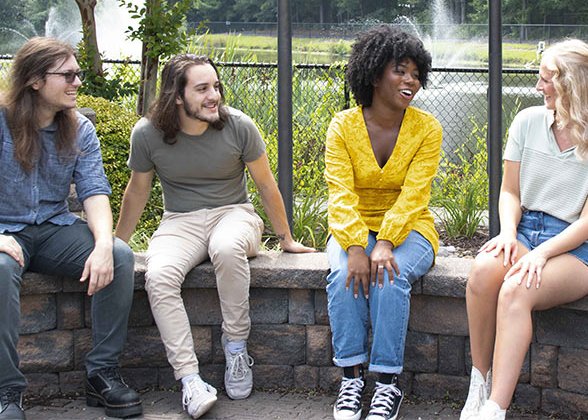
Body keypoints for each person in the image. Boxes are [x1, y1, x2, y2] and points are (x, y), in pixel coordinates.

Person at [114, 53, 314, 420]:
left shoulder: (239, 126)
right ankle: (190, 379)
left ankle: (236, 348)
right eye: (202, 88)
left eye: (216, 86)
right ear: (177, 95)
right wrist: (119, 244)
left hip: (234, 214)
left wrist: (285, 238)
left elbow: (266, 184)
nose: (214, 96)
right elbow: (137, 191)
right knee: (158, 276)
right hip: (180, 221)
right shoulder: (147, 134)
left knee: (225, 248)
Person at [461, 39, 588, 420]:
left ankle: (494, 409)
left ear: (572, 84)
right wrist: (507, 233)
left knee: (516, 290)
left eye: (547, 79)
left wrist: (542, 253)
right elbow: (510, 191)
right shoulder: (527, 122)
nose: (539, 88)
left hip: (579, 247)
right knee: (482, 273)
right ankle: (479, 382)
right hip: (524, 231)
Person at [0, 38, 141, 420]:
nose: (77, 81)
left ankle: (102, 375)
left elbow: (95, 193)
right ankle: (7, 392)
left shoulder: (79, 129)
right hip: (4, 233)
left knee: (120, 255)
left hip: (53, 231)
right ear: (33, 80)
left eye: (77, 73)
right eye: (67, 75)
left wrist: (101, 245)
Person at [325, 25, 442, 420]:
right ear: (374, 75)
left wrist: (386, 242)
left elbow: (415, 196)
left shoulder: (427, 128)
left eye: (415, 74)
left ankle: (387, 385)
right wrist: (357, 246)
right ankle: (351, 379)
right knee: (343, 273)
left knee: (390, 277)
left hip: (411, 230)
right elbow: (339, 194)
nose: (411, 81)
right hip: (353, 226)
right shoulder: (342, 127)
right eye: (400, 71)